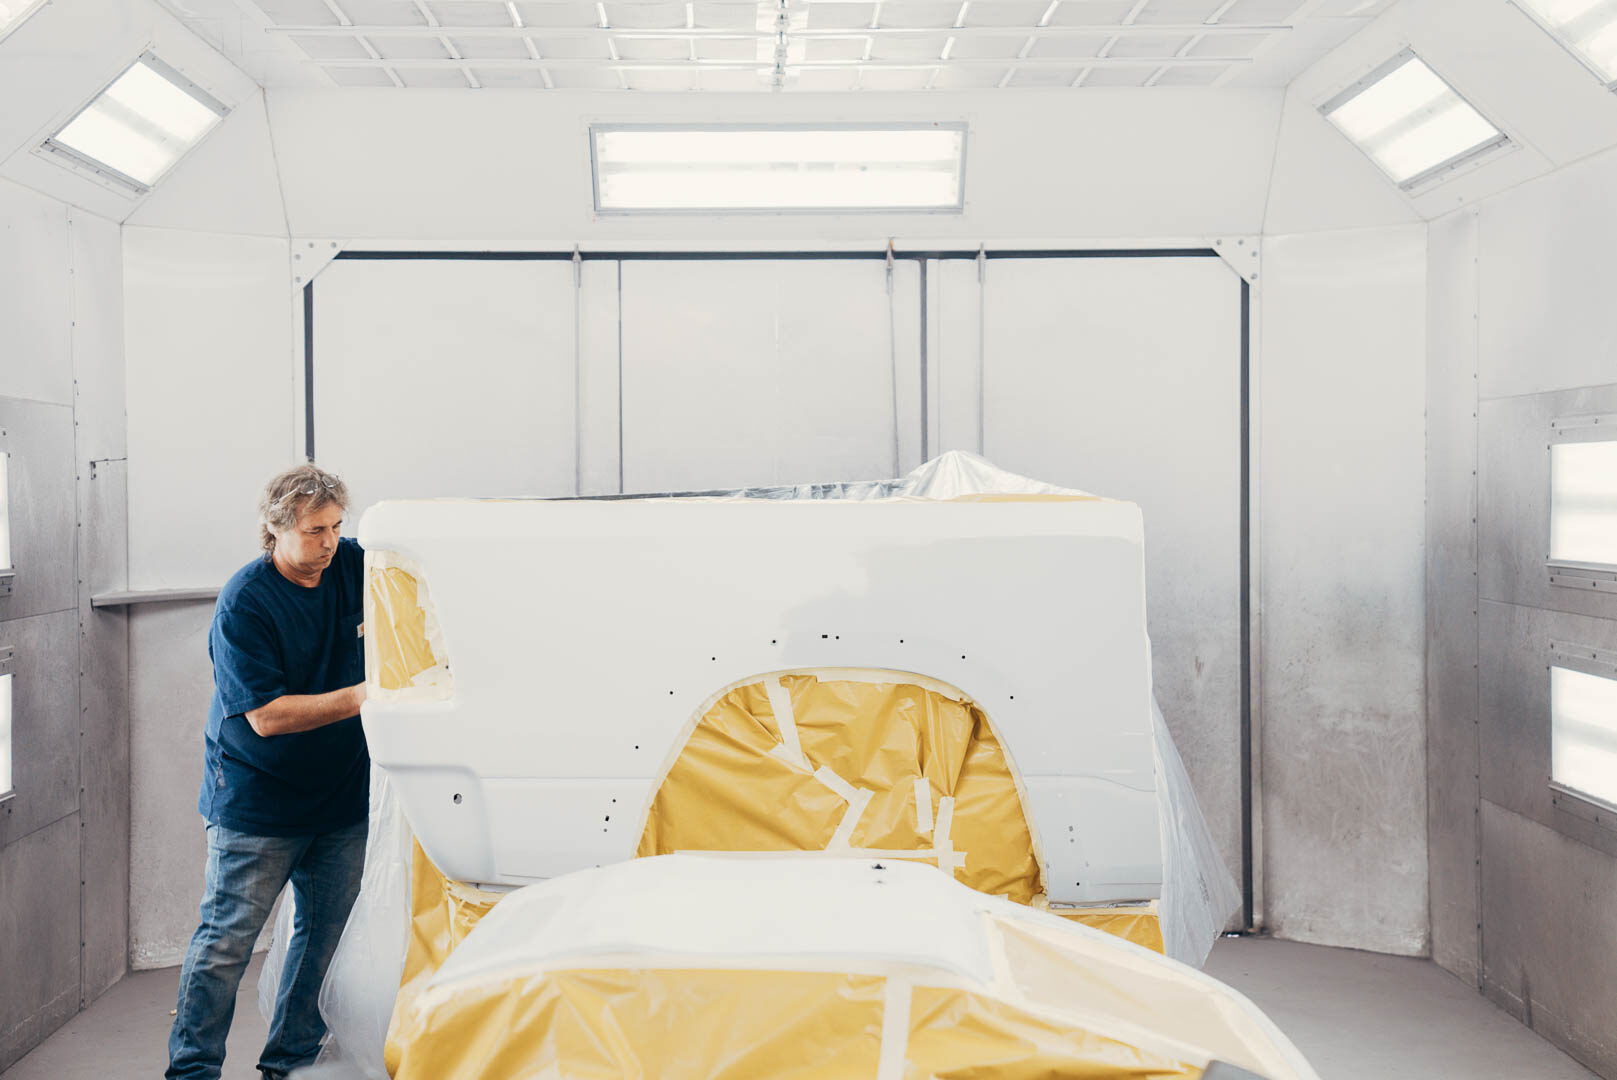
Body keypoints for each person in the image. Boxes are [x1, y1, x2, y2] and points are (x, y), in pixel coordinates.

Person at [166, 464, 370, 1080]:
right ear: (276, 529)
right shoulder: (245, 602)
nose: (330, 542)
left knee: (323, 938)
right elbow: (267, 717)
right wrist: (369, 695)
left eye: (336, 527)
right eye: (314, 530)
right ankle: (192, 1071)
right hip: (259, 800)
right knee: (226, 942)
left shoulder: (353, 565)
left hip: (340, 796)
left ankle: (291, 1062)